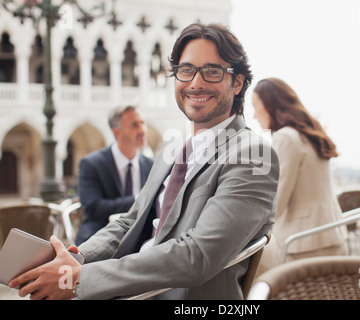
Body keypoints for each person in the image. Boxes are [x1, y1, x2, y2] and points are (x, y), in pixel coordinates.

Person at [9, 23, 279, 300]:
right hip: (128, 288)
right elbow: (131, 222)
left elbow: (197, 256)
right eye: (186, 70)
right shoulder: (172, 147)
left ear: (237, 83)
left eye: (212, 71)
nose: (196, 83)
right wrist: (74, 258)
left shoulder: (253, 155)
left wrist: (77, 279)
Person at [252, 77, 348, 275]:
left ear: (271, 105)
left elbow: (275, 204)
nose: (254, 115)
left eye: (256, 106)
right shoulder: (310, 135)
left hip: (302, 248)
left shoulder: (285, 137)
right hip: (333, 240)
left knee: (237, 263)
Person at [75, 105, 154, 245]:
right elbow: (93, 208)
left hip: (142, 235)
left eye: (142, 123)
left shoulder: (152, 165)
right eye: (134, 125)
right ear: (117, 133)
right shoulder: (91, 164)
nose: (142, 130)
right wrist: (138, 200)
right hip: (100, 234)